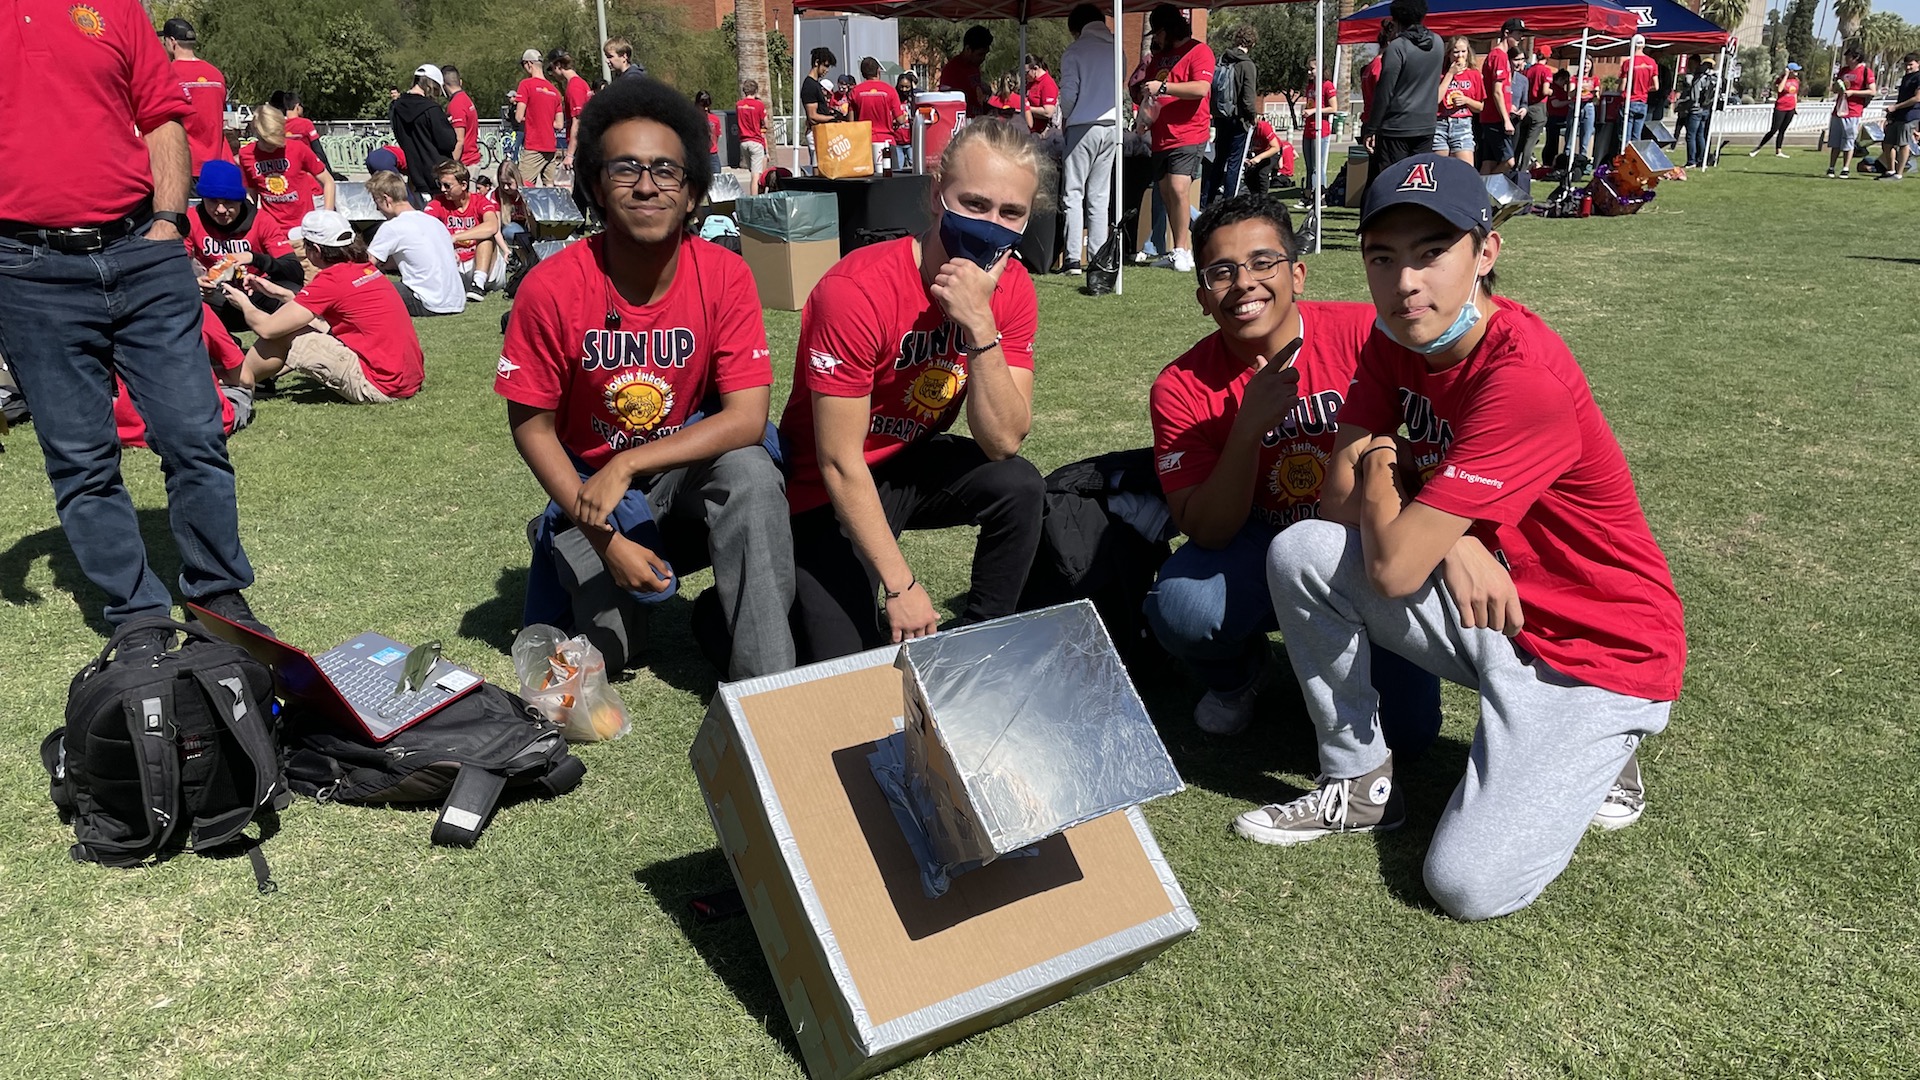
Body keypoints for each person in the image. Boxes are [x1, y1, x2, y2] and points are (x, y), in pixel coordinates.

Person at [1237, 154, 1687, 923]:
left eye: (1432, 252)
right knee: (1302, 552)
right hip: (1496, 607)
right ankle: (1358, 783)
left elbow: (1393, 562)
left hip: (1599, 651)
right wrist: (1455, 536)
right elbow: (1342, 504)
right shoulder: (1393, 341)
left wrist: (1392, 469)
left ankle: (1606, 746)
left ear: (1485, 254)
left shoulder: (1523, 378)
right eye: (1383, 257)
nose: (1406, 282)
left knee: (1466, 887)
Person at [498, 76, 794, 680]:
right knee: (609, 656)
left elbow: (745, 418)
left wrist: (627, 463)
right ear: (595, 187)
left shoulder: (727, 276)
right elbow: (530, 423)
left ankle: (768, 688)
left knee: (749, 472)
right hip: (593, 493)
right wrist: (603, 538)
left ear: (691, 194)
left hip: (675, 473)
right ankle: (562, 538)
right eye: (624, 168)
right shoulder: (551, 287)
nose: (646, 184)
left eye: (666, 170)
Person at [0, 0, 261, 648]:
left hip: (142, 250)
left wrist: (170, 221)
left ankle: (218, 597)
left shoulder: (114, 8)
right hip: (27, 270)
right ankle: (139, 616)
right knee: (82, 460)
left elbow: (161, 115)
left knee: (193, 434)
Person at [1145, 192, 1442, 745]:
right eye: (1222, 272)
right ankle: (1239, 678)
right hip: (1258, 538)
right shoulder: (1181, 386)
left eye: (1263, 263)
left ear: (1298, 274)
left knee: (1410, 736)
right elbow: (1207, 528)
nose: (1244, 283)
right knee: (1184, 605)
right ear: (1203, 297)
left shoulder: (1366, 335)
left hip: (1361, 539)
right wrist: (1247, 429)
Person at [779, 120, 1047, 662]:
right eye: (974, 203)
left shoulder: (1012, 287)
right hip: (822, 490)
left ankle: (979, 643)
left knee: (1019, 485)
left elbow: (1002, 441)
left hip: (907, 464)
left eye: (1011, 213)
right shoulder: (856, 291)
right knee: (850, 662)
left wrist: (980, 329)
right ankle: (736, 608)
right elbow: (836, 462)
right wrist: (901, 587)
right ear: (935, 195)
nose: (992, 225)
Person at [226, 209, 424, 405]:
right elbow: (316, 315)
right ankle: (256, 379)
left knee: (285, 332)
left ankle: (238, 381)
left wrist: (243, 302)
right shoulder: (364, 269)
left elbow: (267, 329)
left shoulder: (331, 280)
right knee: (297, 326)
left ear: (316, 251)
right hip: (406, 378)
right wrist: (281, 294)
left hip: (380, 385)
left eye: (305, 246)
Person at [1131, 4, 1215, 274]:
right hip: (1161, 135)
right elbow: (1153, 98)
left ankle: (1183, 251)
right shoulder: (1159, 58)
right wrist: (1144, 119)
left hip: (1190, 132)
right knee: (1167, 193)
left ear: (1169, 29)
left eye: (1157, 33)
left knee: (1179, 190)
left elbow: (1201, 89)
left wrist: (1163, 86)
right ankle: (1179, 248)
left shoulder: (1199, 51)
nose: (1155, 38)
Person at [187, 160, 306, 337]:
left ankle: (288, 345)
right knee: (179, 296)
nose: (220, 210)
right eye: (212, 201)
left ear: (240, 200)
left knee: (294, 293)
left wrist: (253, 258)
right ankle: (218, 348)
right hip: (217, 298)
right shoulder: (192, 218)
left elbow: (294, 271)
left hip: (257, 294)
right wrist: (193, 283)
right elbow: (171, 265)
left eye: (228, 202)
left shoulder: (261, 220)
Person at [115, 304, 252, 450]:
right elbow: (245, 378)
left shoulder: (111, 314)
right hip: (202, 426)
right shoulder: (196, 308)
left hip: (133, 430)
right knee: (242, 392)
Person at [1058, 4, 1119, 275]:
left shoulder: (1075, 51)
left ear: (1076, 28)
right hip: (1112, 125)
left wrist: (1065, 117)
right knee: (1099, 195)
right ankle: (1097, 256)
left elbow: (1069, 94)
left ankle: (1072, 257)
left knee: (1073, 192)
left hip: (1082, 124)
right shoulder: (1117, 48)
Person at [238, 104, 335, 264]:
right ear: (256, 131)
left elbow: (328, 181)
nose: (271, 147)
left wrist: (327, 216)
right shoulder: (246, 154)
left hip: (304, 231)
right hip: (272, 233)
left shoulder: (297, 149)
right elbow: (251, 193)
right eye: (266, 142)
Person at [365, 170, 464, 316]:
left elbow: (366, 265)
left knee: (368, 289)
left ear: (386, 199)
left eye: (376, 202)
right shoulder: (434, 222)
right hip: (456, 300)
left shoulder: (392, 226)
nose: (377, 208)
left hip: (427, 301)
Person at [1367, 0, 1446, 180]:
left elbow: (1384, 91)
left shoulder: (1397, 47)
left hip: (1396, 126)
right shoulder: (1438, 43)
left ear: (1396, 19)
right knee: (1418, 181)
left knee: (1393, 180)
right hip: (1426, 124)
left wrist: (1372, 129)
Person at [161, 17, 235, 183]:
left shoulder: (167, 74)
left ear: (172, 42)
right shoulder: (216, 74)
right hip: (219, 162)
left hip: (185, 164)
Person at [424, 160, 499, 301]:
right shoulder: (438, 202)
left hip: (483, 264)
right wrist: (445, 245)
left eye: (447, 185)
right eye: (439, 184)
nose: (442, 189)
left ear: (464, 185)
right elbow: (424, 225)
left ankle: (478, 284)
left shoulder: (479, 201)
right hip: (455, 262)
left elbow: (492, 226)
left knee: (486, 237)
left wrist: (454, 238)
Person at [1204, 25, 1259, 207]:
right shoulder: (1247, 65)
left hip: (1221, 116)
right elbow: (1248, 98)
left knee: (1219, 160)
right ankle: (1230, 203)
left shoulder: (1222, 60)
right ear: (1252, 43)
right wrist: (1252, 117)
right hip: (1238, 119)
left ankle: (1207, 201)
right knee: (1235, 163)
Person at [390, 64, 458, 200]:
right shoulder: (431, 109)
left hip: (415, 175)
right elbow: (448, 143)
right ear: (431, 85)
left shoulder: (396, 108)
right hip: (438, 175)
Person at [1476, 19, 1522, 175]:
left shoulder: (1501, 56)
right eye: (1517, 33)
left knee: (1488, 162)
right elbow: (1497, 91)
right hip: (1495, 118)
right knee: (1509, 161)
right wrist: (1506, 120)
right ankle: (1487, 188)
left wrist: (1510, 107)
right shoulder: (1499, 56)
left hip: (1493, 116)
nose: (1520, 38)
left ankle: (1481, 194)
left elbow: (1503, 89)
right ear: (1506, 33)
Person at [517, 50, 566, 185]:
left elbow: (518, 116)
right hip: (551, 147)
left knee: (522, 186)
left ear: (529, 64)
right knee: (549, 187)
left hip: (534, 145)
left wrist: (533, 120)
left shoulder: (526, 85)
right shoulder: (555, 91)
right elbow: (559, 124)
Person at [1828, 44, 1875, 179]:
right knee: (1835, 141)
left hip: (1853, 110)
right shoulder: (1843, 71)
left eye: (1848, 56)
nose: (1846, 59)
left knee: (1848, 140)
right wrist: (1837, 88)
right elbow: (1835, 88)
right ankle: (1831, 167)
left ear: (1856, 57)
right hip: (1838, 110)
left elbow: (1872, 90)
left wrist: (1853, 92)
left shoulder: (1866, 71)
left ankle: (1845, 168)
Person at [1434, 38, 1482, 166]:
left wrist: (1467, 100)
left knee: (1466, 171)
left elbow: (1480, 107)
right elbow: (1435, 100)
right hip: (1440, 124)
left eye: (1463, 51)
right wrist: (1450, 74)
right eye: (1455, 52)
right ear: (1449, 54)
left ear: (1468, 53)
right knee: (1439, 170)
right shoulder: (1440, 74)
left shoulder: (1474, 74)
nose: (1459, 56)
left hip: (1462, 124)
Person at [1297, 56, 1339, 203]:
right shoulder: (1310, 87)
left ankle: (1320, 196)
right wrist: (1307, 111)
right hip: (1308, 129)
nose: (1309, 72)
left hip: (1321, 130)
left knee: (1317, 166)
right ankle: (1307, 195)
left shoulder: (1327, 85)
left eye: (1312, 69)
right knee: (1309, 166)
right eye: (1308, 69)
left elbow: (1333, 108)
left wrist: (1314, 111)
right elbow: (1310, 105)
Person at [850, 58, 905, 165]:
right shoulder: (890, 90)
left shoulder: (855, 91)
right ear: (878, 71)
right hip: (887, 141)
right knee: (891, 177)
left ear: (863, 73)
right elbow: (900, 119)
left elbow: (851, 122)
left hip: (864, 142)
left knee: (866, 178)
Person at [800, 48, 845, 172]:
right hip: (816, 133)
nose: (827, 70)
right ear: (816, 63)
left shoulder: (815, 84)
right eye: (825, 65)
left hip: (821, 132)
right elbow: (813, 116)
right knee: (818, 167)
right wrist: (833, 118)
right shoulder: (809, 85)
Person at [1879, 53, 1920, 181]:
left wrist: (1896, 107)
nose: (1908, 67)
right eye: (1906, 65)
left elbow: (1917, 98)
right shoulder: (1906, 78)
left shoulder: (1918, 78)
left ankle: (1899, 174)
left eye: (1911, 64)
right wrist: (1893, 111)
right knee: (1887, 143)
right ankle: (1890, 170)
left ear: (1918, 63)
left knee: (1903, 143)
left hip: (1910, 115)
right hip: (1899, 115)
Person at [552, 50, 593, 172]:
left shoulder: (574, 87)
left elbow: (578, 121)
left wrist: (569, 155)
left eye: (551, 69)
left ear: (558, 66)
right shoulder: (581, 83)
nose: (552, 74)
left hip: (581, 147)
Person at [1749, 63, 1801, 157]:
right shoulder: (1780, 79)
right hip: (1781, 108)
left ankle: (1779, 151)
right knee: (1774, 130)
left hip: (1791, 108)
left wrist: (1795, 107)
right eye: (1795, 70)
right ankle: (1758, 148)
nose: (1797, 72)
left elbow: (1795, 94)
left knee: (1782, 130)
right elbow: (1780, 89)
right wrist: (1785, 75)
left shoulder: (1796, 81)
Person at [939, 26, 994, 116]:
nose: (983, 58)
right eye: (980, 54)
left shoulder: (974, 68)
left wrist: (997, 111)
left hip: (976, 122)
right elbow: (946, 105)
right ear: (968, 49)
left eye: (985, 54)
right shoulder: (951, 70)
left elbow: (976, 103)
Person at [1513, 45, 1552, 170]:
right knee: (1530, 142)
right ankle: (1523, 170)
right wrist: (1553, 92)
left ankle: (1513, 167)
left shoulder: (1528, 70)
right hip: (1539, 107)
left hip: (1526, 106)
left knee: (1521, 140)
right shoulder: (1546, 71)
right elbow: (1545, 91)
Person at [1677, 58, 1718, 168]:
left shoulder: (1699, 78)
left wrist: (1683, 104)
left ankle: (1691, 160)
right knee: (1701, 135)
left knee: (1691, 135)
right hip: (1706, 109)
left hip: (1696, 110)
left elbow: (1694, 97)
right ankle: (1702, 159)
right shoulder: (1713, 79)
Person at [1621, 34, 1660, 146]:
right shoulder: (1651, 62)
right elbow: (1656, 86)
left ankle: (1624, 159)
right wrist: (1645, 89)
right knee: (1636, 137)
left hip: (1630, 101)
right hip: (1643, 102)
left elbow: (1623, 87)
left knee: (1625, 137)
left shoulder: (1628, 62)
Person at [443, 66, 483, 169]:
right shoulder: (466, 99)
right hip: (473, 158)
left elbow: (459, 140)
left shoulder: (456, 104)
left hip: (465, 162)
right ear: (460, 82)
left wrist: (451, 166)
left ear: (443, 86)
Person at [736, 79, 770, 194]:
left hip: (743, 142)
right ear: (756, 90)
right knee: (756, 176)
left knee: (753, 171)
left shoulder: (739, 105)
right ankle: (754, 201)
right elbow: (766, 123)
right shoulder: (759, 105)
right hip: (756, 141)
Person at [1243, 115, 1292, 194]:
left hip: (1272, 150)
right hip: (1258, 151)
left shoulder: (1263, 127)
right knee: (1250, 175)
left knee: (1262, 173)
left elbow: (1275, 147)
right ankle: (1254, 196)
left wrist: (1259, 157)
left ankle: (1263, 198)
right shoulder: (1244, 129)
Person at [1543, 68, 1573, 170]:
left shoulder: (1561, 90)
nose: (1565, 83)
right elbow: (1555, 104)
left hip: (1562, 117)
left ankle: (1555, 162)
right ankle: (1548, 162)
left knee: (1556, 142)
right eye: (1565, 81)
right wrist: (1569, 102)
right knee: (1552, 142)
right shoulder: (1553, 88)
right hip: (1554, 118)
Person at [1024, 54, 1061, 135]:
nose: (1025, 76)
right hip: (1030, 131)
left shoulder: (1047, 84)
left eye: (1026, 72)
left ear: (1035, 68)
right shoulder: (1030, 83)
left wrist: (1026, 109)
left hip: (1044, 133)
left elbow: (1048, 112)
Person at [694, 90, 725, 173]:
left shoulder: (714, 118)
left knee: (716, 180)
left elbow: (717, 136)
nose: (705, 108)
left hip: (712, 154)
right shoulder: (693, 118)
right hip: (698, 155)